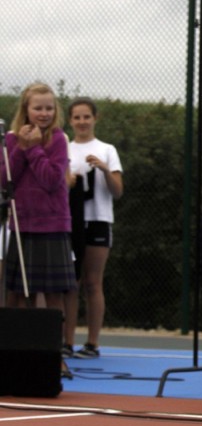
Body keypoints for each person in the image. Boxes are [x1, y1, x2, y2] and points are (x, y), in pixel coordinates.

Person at [0, 82, 76, 313]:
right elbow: (5, 179)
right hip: (23, 224)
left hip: (52, 225)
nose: (44, 114)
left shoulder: (58, 139)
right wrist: (21, 148)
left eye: (49, 108)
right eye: (38, 108)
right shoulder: (11, 139)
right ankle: (17, 336)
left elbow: (52, 180)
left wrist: (33, 149)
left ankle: (53, 336)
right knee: (17, 293)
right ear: (26, 109)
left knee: (53, 294)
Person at [63, 97, 123, 359]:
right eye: (77, 117)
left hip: (98, 220)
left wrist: (104, 170)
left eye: (86, 116)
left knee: (92, 282)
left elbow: (117, 191)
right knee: (70, 283)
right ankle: (66, 342)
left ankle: (92, 344)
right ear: (70, 121)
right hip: (69, 222)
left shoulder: (107, 149)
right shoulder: (64, 148)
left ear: (95, 118)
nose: (82, 122)